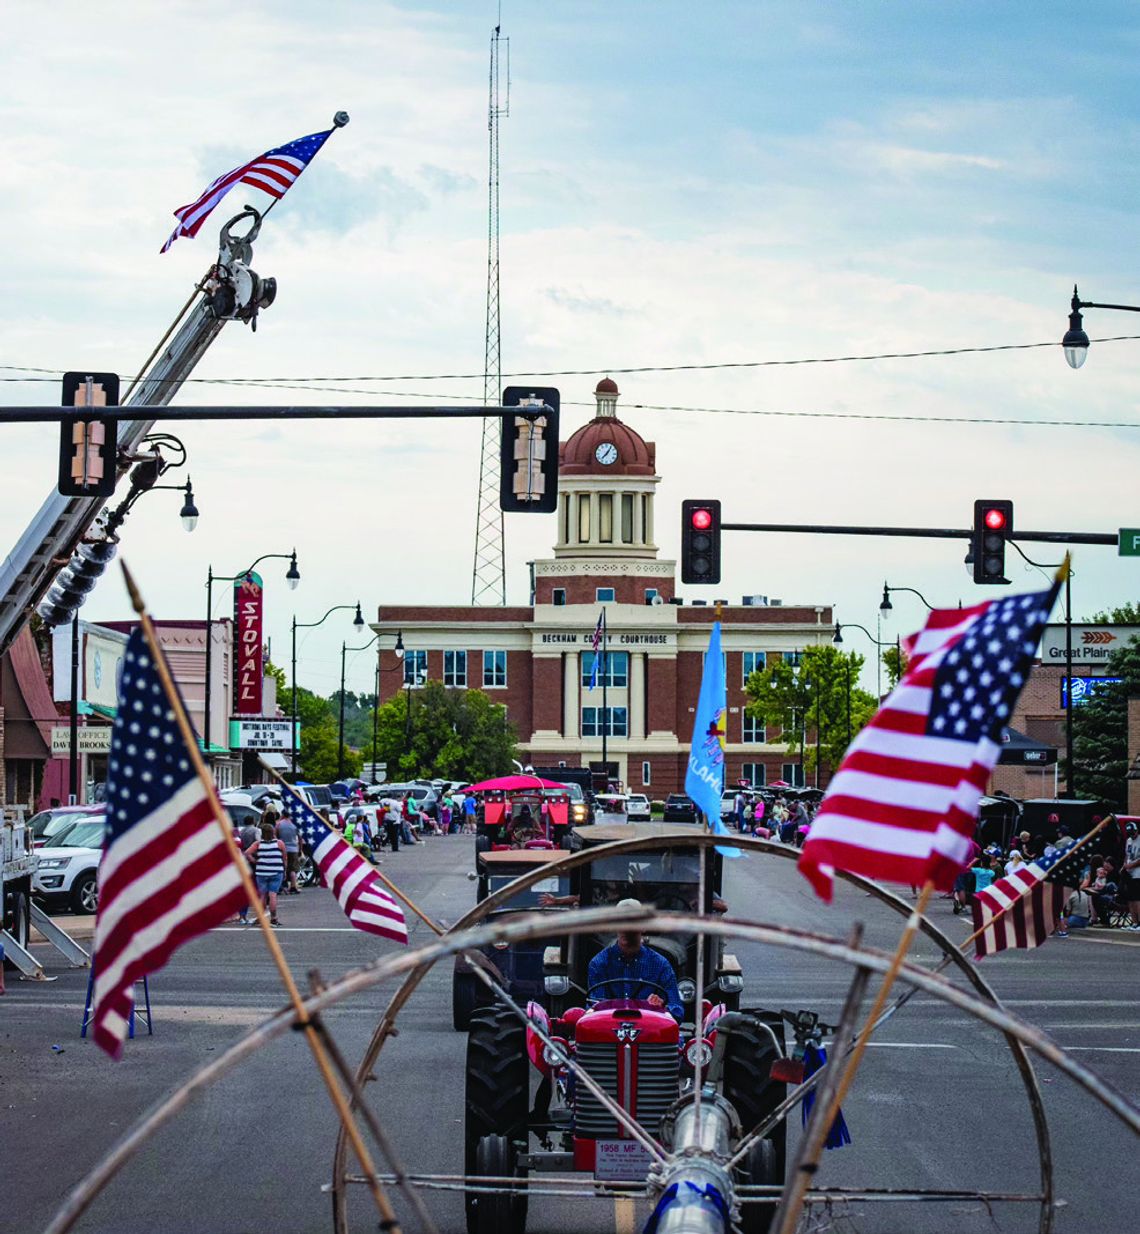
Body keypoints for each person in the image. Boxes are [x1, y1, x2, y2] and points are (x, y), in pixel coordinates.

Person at [586, 899, 684, 1020]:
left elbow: (677, 1010)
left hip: (650, 1032)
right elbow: (594, 1009)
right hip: (609, 1032)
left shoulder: (660, 964)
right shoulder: (599, 963)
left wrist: (661, 1007)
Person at [246, 821, 287, 927]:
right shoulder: (279, 843)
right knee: (273, 895)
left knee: (262, 895)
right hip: (276, 871)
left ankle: (260, 917)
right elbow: (284, 858)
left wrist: (255, 861)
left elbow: (247, 853)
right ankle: (274, 918)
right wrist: (284, 869)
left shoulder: (258, 844)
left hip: (261, 871)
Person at [276, 810, 301, 895]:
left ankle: (283, 886)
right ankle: (293, 886)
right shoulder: (294, 824)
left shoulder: (279, 824)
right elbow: (300, 837)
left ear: (282, 814)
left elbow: (276, 836)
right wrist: (300, 849)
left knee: (283, 868)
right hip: (293, 848)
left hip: (283, 848)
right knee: (293, 869)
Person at [1123, 821, 1140, 930]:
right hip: (1129, 873)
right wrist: (1125, 864)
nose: (1132, 835)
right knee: (1130, 899)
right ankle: (1134, 922)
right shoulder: (1128, 841)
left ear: (1137, 830)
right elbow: (1127, 854)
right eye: (1130, 833)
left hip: (1138, 873)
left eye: (1133, 833)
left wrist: (1131, 865)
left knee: (1138, 898)